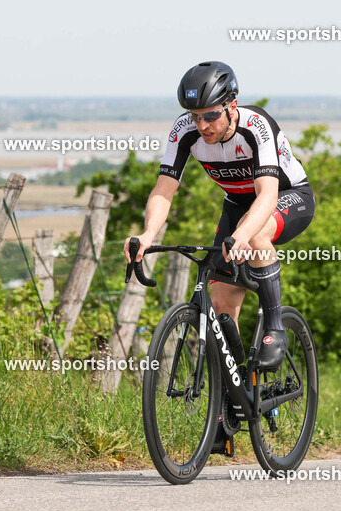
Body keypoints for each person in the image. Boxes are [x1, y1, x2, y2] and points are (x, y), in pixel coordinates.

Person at [124, 61, 315, 373]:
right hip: (237, 205)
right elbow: (164, 189)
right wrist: (147, 235)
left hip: (287, 195)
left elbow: (267, 195)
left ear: (232, 106)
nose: (202, 125)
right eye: (195, 116)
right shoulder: (184, 131)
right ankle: (234, 393)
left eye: (211, 115)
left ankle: (276, 327)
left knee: (252, 233)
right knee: (221, 301)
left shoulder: (257, 126)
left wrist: (242, 235)